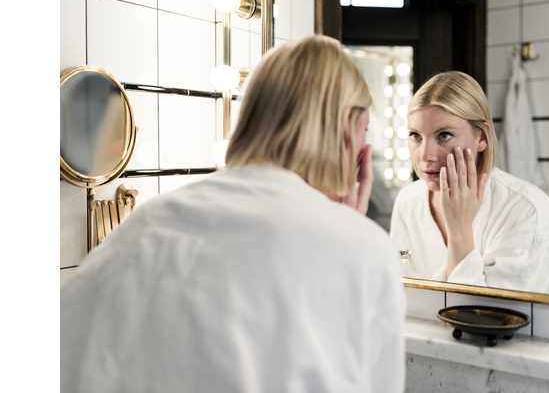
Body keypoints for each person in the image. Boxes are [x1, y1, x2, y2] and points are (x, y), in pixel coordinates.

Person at [60, 35, 406, 393]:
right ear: (348, 129)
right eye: (365, 131)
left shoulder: (149, 219)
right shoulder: (363, 251)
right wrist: (347, 231)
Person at [389, 71, 549, 295]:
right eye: (415, 136)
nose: (425, 156)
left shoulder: (527, 210)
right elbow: (399, 293)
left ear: (482, 137)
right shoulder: (407, 202)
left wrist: (460, 231)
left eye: (444, 135)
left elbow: (486, 316)